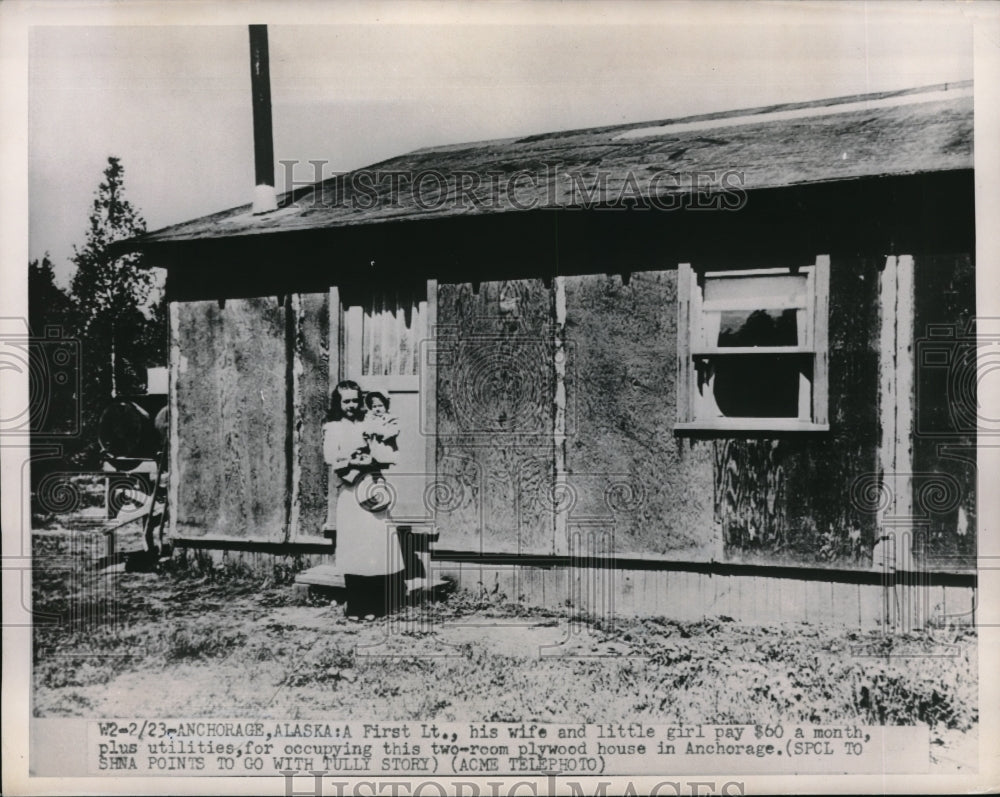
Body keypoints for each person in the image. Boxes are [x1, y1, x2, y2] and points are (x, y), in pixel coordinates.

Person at [323, 380, 404, 620]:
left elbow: (388, 454)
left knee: (375, 544)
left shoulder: (369, 423)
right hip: (350, 489)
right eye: (346, 401)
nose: (352, 405)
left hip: (371, 487)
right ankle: (356, 605)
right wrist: (356, 462)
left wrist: (375, 456)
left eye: (356, 400)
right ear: (338, 403)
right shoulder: (333, 427)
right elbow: (331, 457)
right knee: (354, 545)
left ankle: (375, 605)